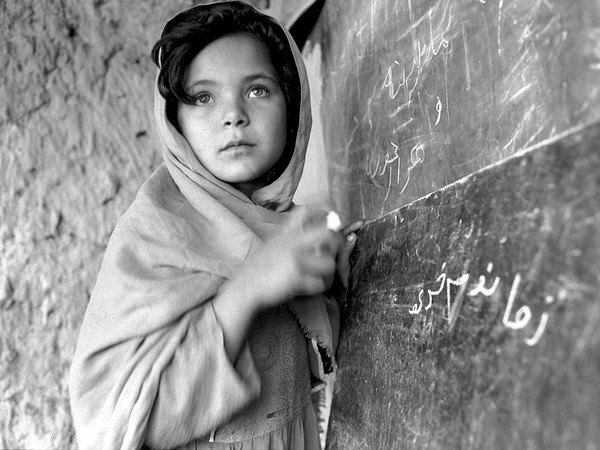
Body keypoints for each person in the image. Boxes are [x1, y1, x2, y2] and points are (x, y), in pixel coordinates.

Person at [68, 2, 362, 449]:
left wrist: (328, 279)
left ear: (292, 104)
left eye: (259, 90)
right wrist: (247, 290)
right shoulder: (154, 237)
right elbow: (121, 425)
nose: (234, 116)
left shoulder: (288, 229)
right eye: (204, 97)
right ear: (176, 123)